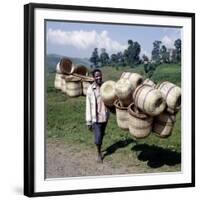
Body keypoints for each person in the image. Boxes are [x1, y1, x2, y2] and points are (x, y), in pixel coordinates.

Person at [86, 69, 109, 163]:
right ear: (93, 78)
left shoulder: (105, 86)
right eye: (96, 76)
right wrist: (88, 121)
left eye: (100, 75)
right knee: (98, 137)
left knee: (102, 135)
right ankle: (99, 154)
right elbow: (88, 105)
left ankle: (99, 146)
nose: (99, 77)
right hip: (96, 118)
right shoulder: (90, 89)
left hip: (105, 116)